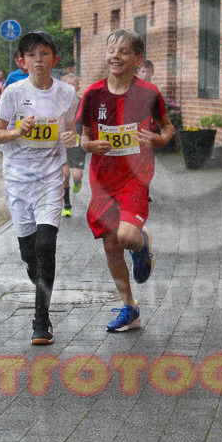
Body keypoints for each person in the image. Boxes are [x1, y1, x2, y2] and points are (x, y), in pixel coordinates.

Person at [78, 29, 174, 332]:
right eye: (111, 50)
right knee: (110, 245)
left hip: (135, 178)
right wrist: (90, 146)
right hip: (103, 181)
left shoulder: (149, 92)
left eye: (123, 52)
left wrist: (158, 139)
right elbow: (84, 138)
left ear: (137, 59)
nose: (115, 56)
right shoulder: (93, 94)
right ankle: (130, 309)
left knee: (126, 237)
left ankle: (142, 244)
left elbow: (168, 128)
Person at [0, 31, 79, 345]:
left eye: (44, 54)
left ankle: (41, 320)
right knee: (30, 254)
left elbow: (70, 131)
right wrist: (18, 130)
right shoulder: (13, 93)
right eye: (31, 55)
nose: (38, 60)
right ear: (21, 62)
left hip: (50, 177)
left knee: (45, 246)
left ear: (55, 60)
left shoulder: (66, 93)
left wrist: (70, 149)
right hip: (17, 179)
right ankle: (38, 278)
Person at [59, 73, 85, 217]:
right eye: (67, 84)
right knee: (65, 174)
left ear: (78, 88)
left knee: (76, 175)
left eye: (73, 85)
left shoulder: (82, 104)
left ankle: (77, 181)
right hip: (62, 143)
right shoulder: (58, 103)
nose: (70, 87)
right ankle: (67, 205)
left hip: (78, 143)